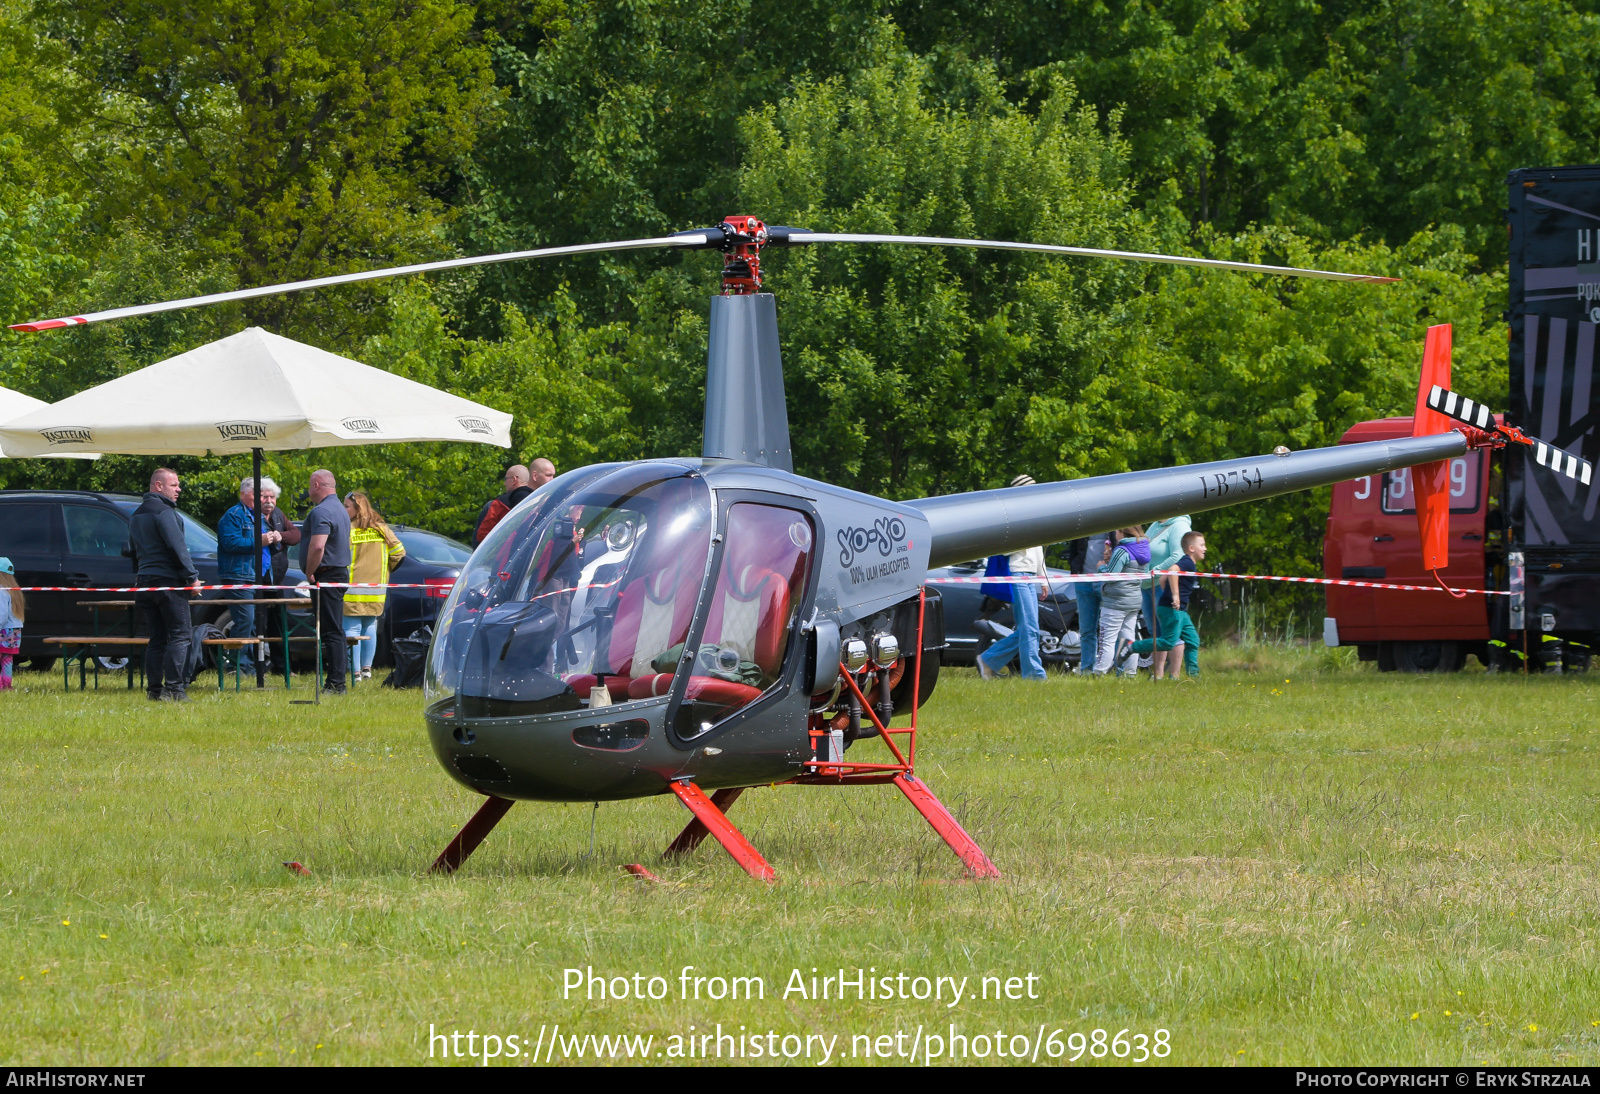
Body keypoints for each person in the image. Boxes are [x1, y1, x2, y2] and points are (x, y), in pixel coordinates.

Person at [129, 468, 201, 701]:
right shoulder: (164, 513)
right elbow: (177, 548)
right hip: (169, 583)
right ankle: (174, 690)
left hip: (146, 582)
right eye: (174, 485)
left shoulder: (136, 514)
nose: (179, 489)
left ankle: (154, 691)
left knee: (157, 639)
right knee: (180, 635)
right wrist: (192, 578)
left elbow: (133, 551)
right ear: (158, 486)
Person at [977, 474, 1048, 681]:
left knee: (1029, 628)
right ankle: (1035, 676)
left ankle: (988, 660)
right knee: (1030, 628)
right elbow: (1005, 548)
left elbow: (1038, 552)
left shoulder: (1031, 516)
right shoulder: (1013, 516)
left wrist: (1042, 579)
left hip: (1028, 577)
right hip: (1018, 574)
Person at [216, 478, 284, 677]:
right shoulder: (233, 515)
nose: (261, 499)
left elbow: (265, 545)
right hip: (238, 575)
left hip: (258, 576)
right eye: (257, 494)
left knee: (254, 622)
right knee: (245, 619)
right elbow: (230, 543)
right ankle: (234, 666)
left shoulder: (259, 517)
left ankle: (247, 666)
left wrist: (275, 539)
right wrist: (259, 540)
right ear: (243, 494)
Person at [342, 491, 406, 681]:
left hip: (352, 588)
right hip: (376, 588)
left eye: (346, 506)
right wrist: (385, 571)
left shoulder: (349, 529)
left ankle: (355, 673)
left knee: (351, 628)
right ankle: (367, 669)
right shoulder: (381, 528)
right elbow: (399, 552)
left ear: (357, 508)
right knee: (369, 625)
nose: (343, 509)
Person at [300, 469, 353, 693]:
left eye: (310, 486)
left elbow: (318, 545)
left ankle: (335, 683)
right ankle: (337, 680)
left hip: (326, 574)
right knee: (335, 629)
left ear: (317, 485)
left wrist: (309, 572)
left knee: (331, 631)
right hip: (338, 572)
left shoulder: (322, 511)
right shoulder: (340, 509)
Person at [1130, 530, 1206, 679]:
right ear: (1191, 548)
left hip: (1180, 611)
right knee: (1168, 642)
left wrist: (1169, 594)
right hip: (1172, 609)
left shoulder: (1190, 563)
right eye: (1202, 545)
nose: (1205, 549)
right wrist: (1175, 596)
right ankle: (1131, 647)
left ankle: (1193, 676)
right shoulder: (1187, 562)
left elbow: (1164, 579)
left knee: (1192, 640)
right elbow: (1171, 571)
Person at [1094, 525, 1149, 677]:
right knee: (1129, 638)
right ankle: (1130, 673)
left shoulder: (1122, 549)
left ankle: (1099, 673)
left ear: (1123, 531)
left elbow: (1111, 575)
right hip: (1133, 601)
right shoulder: (1142, 548)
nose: (1115, 534)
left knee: (1107, 639)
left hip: (1115, 602)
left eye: (1116, 531)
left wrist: (1101, 567)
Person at [1141, 515, 1192, 641]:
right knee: (1154, 634)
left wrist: (1154, 572)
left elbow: (1177, 556)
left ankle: (1175, 662)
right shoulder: (1155, 524)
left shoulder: (1179, 525)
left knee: (1171, 634)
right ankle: (1159, 662)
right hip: (1147, 585)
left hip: (1163, 586)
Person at [1073, 532, 1110, 675]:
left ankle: (1116, 669)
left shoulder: (1114, 520)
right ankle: (1087, 671)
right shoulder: (1082, 522)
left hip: (1105, 580)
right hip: (1083, 580)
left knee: (1112, 629)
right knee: (1087, 630)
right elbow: (1074, 548)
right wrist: (1075, 570)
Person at [473, 464, 535, 546]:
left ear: (514, 480)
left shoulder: (499, 504)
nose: (504, 484)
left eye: (506, 479)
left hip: (497, 555)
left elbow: (482, 536)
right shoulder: (537, 501)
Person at [0, 558, 23, 691]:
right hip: (14, 631)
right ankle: (7, 686)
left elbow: (2, 613)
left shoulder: (1, 591)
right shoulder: (14, 591)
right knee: (7, 660)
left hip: (3, 630)